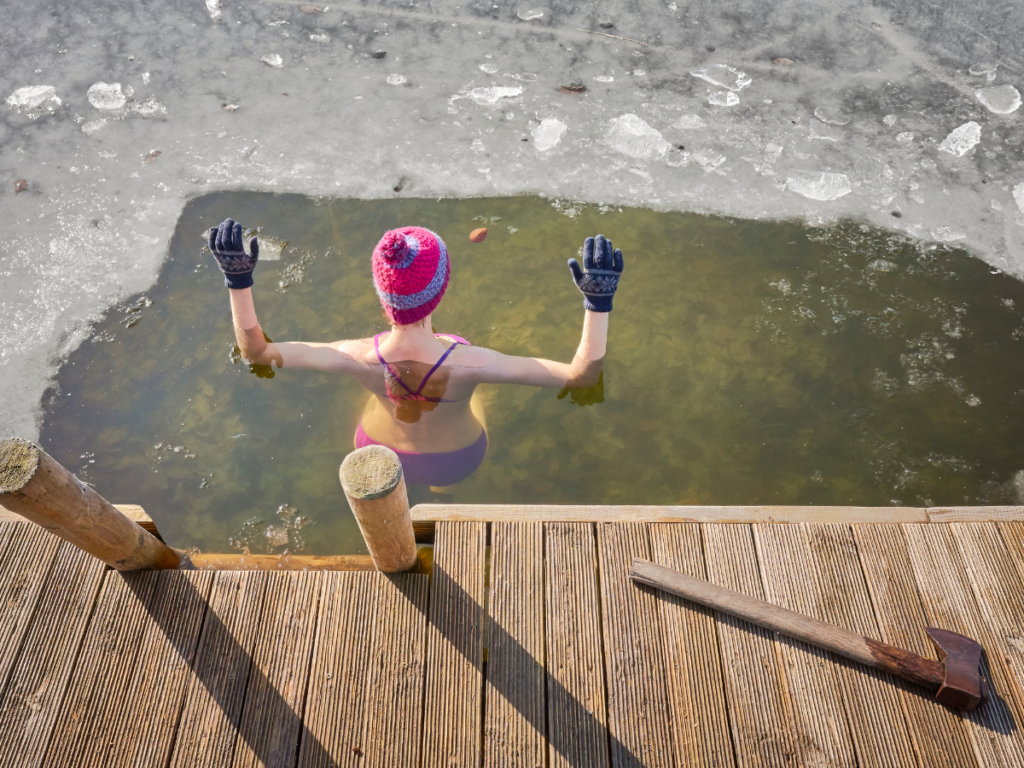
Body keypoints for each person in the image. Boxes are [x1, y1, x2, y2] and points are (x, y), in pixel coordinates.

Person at [209, 218, 624, 492]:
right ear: (441, 288)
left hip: (376, 453)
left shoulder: (353, 356)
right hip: (456, 461)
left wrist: (237, 280)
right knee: (477, 397)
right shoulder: (473, 363)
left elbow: (258, 353)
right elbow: (581, 376)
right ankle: (441, 495)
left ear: (382, 295)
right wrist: (597, 304)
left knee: (379, 393)